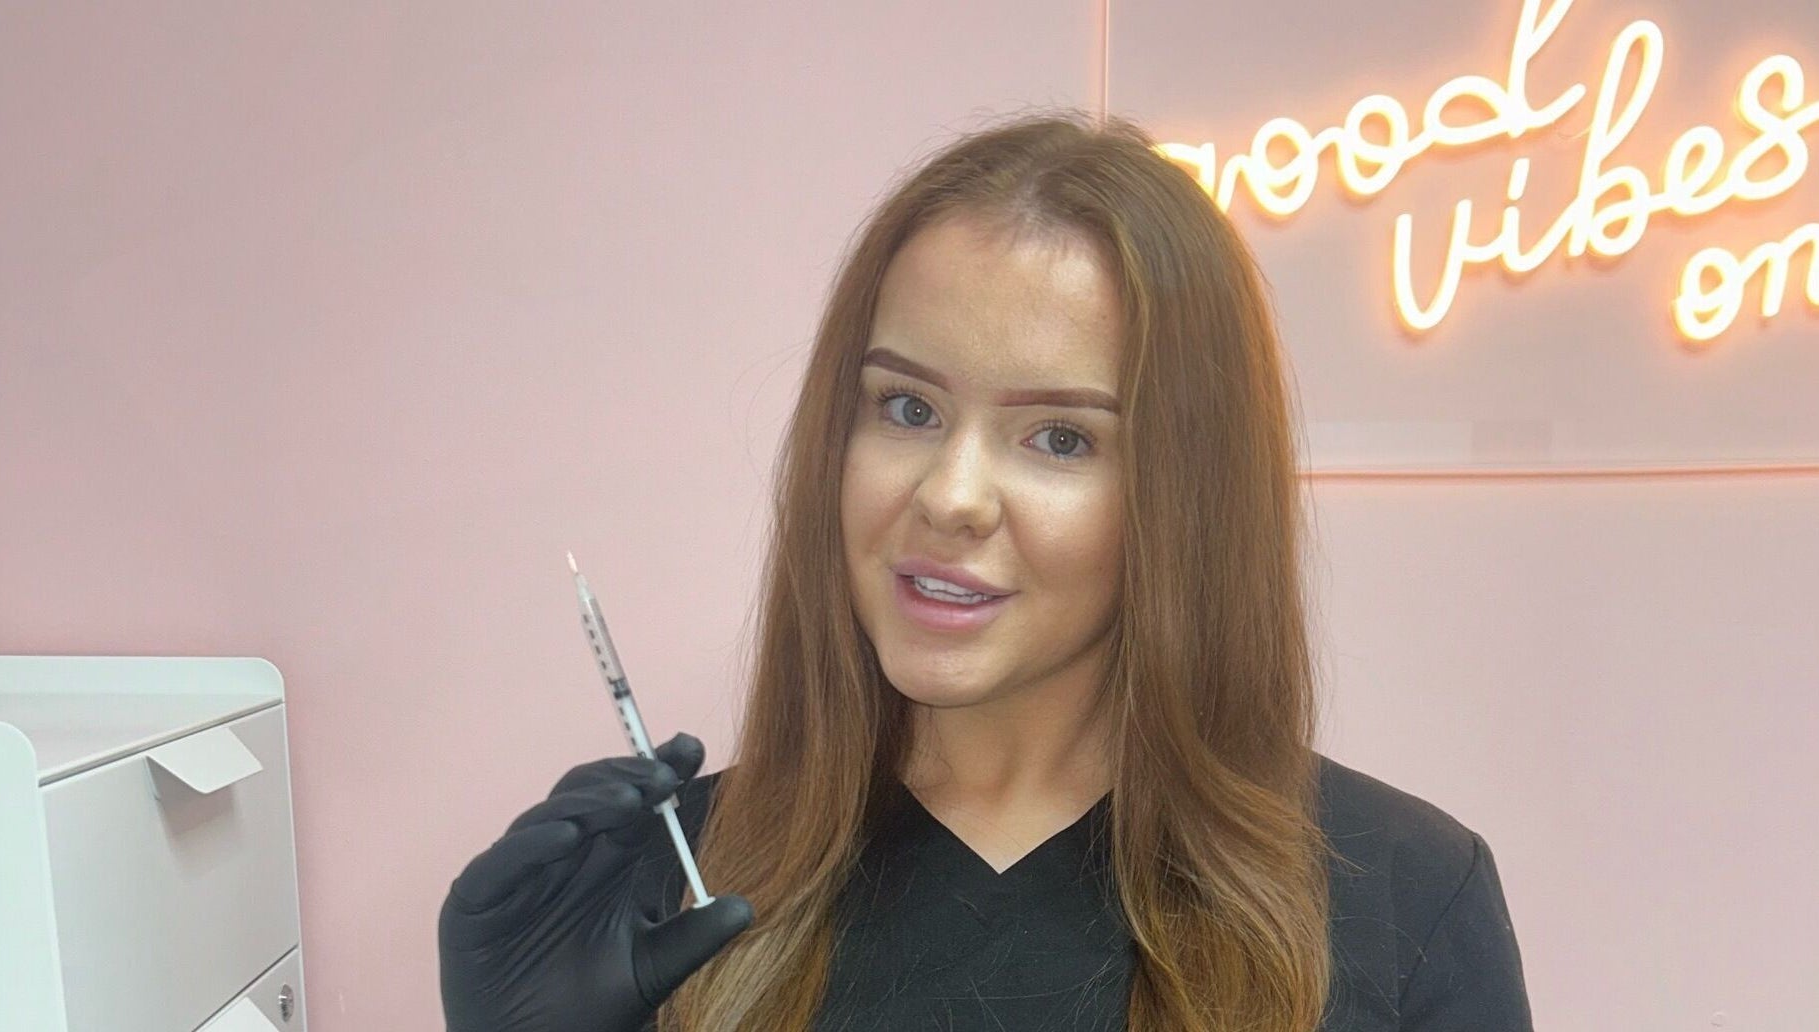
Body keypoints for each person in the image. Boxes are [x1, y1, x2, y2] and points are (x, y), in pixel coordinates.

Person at [439, 110, 1533, 1032]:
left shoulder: (1404, 899)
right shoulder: (669, 895)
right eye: (907, 408)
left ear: (1185, 492)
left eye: (1059, 437)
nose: (950, 496)